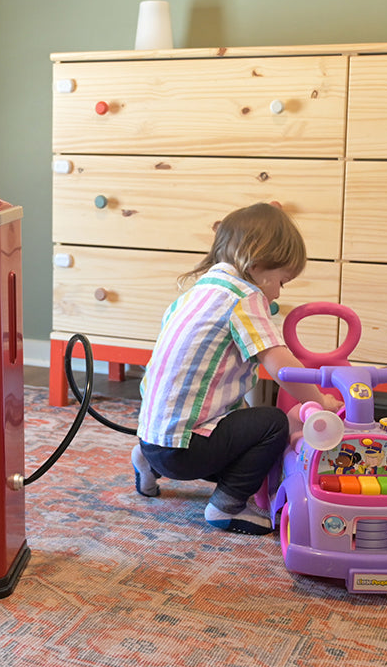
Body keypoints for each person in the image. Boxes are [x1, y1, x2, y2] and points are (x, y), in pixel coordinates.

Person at [132, 202, 341, 535]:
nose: (276, 293)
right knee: (272, 424)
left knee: (242, 423)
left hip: (151, 437)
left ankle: (145, 463)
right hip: (185, 451)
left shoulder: (194, 295)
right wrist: (320, 400)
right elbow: (280, 366)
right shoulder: (244, 297)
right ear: (258, 265)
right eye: (282, 282)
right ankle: (226, 506)